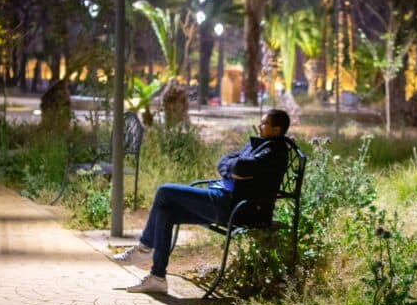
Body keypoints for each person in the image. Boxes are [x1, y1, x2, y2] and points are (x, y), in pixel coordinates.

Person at [113, 109, 292, 294]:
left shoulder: (274, 152)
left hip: (234, 208)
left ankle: (145, 248)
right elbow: (224, 161)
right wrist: (232, 171)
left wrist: (234, 168)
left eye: (264, 123)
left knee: (164, 191)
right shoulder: (258, 144)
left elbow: (241, 166)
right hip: (224, 198)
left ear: (277, 130)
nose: (259, 126)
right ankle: (157, 278)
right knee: (166, 211)